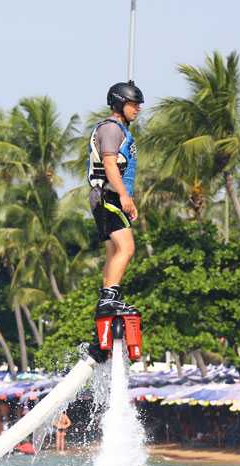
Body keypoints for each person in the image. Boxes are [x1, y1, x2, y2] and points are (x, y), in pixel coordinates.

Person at [88, 80, 145, 318]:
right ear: (120, 103)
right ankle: (109, 299)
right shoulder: (110, 129)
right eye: (133, 104)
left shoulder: (121, 130)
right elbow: (110, 164)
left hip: (107, 196)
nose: (138, 109)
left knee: (113, 251)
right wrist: (124, 196)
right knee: (126, 247)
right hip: (108, 195)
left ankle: (107, 299)